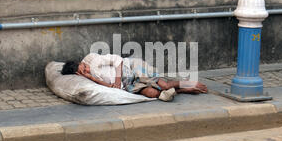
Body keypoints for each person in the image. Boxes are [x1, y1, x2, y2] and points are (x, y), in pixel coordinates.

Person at [61, 53, 208, 101]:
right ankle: (183, 91)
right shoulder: (87, 81)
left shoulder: (92, 59)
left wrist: (117, 81)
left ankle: (186, 83)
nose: (87, 70)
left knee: (163, 86)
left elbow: (117, 60)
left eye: (84, 67)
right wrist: (91, 78)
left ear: (81, 62)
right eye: (83, 71)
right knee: (153, 94)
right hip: (127, 84)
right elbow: (111, 88)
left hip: (131, 68)